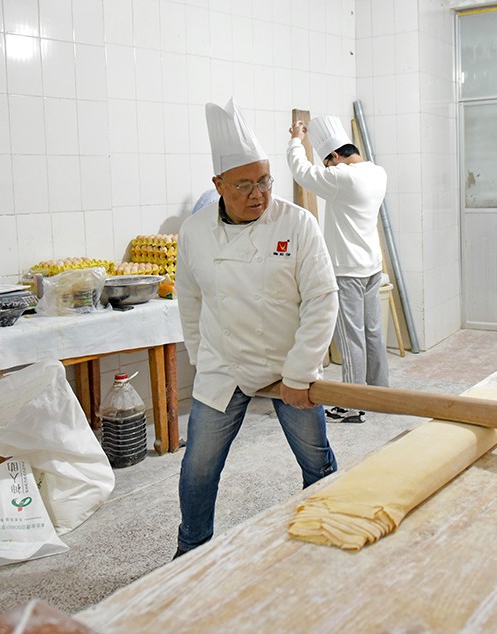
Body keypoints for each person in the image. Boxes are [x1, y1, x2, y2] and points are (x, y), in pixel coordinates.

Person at [173, 99, 340, 558]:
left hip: (288, 364)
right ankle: (190, 550)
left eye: (264, 181)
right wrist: (200, 355)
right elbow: (188, 298)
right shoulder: (194, 231)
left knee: (316, 458)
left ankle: (327, 530)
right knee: (198, 467)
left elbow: (322, 299)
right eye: (244, 184)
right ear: (218, 184)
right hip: (223, 365)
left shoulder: (297, 223)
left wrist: (301, 371)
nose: (258, 194)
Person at [287, 115, 389, 424]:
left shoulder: (342, 178)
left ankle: (352, 404)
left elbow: (301, 171)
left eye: (328, 162)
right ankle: (381, 395)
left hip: (347, 271)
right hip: (372, 266)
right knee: (372, 332)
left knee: (350, 337)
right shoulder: (378, 173)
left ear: (334, 155)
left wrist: (296, 139)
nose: (327, 168)